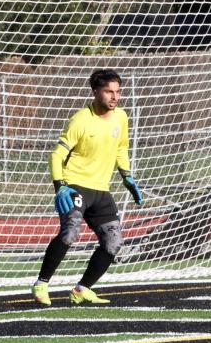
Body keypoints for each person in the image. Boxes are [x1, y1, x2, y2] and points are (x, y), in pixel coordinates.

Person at [32, 69, 143, 306]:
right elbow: (56, 155)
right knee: (70, 233)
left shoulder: (121, 117)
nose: (114, 97)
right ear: (95, 92)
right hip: (75, 186)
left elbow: (121, 148)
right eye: (108, 92)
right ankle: (42, 283)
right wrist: (60, 186)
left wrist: (127, 176)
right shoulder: (81, 120)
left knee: (113, 243)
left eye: (117, 92)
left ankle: (82, 289)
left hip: (101, 190)